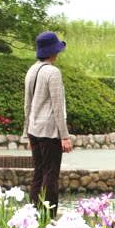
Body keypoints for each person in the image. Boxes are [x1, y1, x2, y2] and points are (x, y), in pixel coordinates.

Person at [23, 31, 73, 215]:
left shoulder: (31, 70)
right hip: (49, 130)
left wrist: (26, 132)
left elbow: (27, 104)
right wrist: (65, 136)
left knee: (38, 172)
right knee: (51, 174)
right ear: (53, 52)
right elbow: (58, 107)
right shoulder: (53, 72)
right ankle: (48, 214)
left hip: (34, 129)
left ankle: (33, 212)